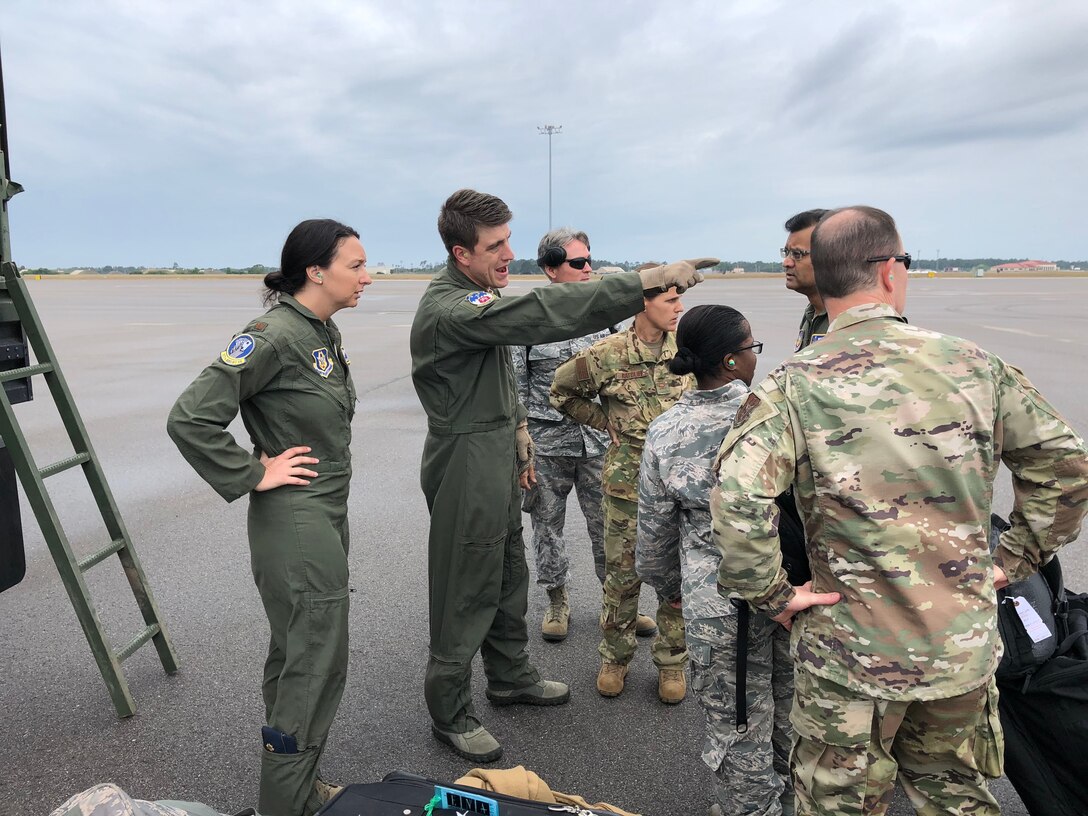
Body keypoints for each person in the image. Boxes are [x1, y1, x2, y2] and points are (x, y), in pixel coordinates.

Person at [712, 205, 1088, 816]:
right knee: (954, 795)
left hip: (847, 651)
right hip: (958, 644)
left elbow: (736, 498)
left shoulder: (790, 383)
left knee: (838, 803)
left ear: (825, 278)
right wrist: (1014, 557)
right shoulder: (973, 365)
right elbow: (1067, 465)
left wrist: (775, 596)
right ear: (889, 271)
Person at [410, 188, 713, 763]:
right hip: (464, 462)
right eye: (495, 246)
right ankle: (449, 712)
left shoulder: (477, 296)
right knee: (464, 587)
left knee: (506, 574)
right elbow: (543, 314)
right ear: (460, 252)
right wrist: (642, 282)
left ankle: (510, 677)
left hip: (496, 449)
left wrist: (520, 433)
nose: (508, 254)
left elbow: (500, 377)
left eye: (508, 241)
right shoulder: (453, 308)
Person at [167, 220, 371, 816]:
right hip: (298, 518)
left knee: (297, 655)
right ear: (316, 271)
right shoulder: (274, 335)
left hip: (324, 511)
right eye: (355, 265)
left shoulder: (319, 331)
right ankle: (286, 803)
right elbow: (191, 417)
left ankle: (298, 789)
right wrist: (254, 472)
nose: (367, 276)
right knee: (314, 662)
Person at [638, 305, 793, 816]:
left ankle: (753, 809)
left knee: (738, 722)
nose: (755, 358)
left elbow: (655, 533)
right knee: (795, 712)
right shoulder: (778, 417)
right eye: (752, 349)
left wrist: (670, 589)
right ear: (730, 360)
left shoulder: (665, 431)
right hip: (793, 592)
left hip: (716, 600)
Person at [510, 227, 656, 643]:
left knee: (611, 527)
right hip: (546, 445)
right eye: (578, 263)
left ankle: (619, 605)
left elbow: (622, 377)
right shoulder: (527, 319)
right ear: (551, 269)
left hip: (598, 443)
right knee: (546, 526)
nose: (588, 268)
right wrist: (522, 446)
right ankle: (557, 601)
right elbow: (516, 386)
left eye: (589, 259)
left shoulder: (604, 318)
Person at [550, 284, 693, 703]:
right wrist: (600, 420)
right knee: (621, 576)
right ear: (643, 303)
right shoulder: (605, 353)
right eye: (670, 300)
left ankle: (671, 663)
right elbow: (561, 392)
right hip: (626, 482)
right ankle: (615, 657)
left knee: (676, 576)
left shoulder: (688, 349)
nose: (679, 308)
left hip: (677, 484)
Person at [780, 209, 829, 351]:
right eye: (786, 253)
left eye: (797, 254)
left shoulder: (848, 320)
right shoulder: (812, 313)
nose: (786, 262)